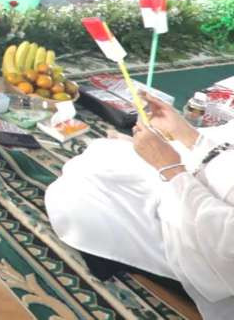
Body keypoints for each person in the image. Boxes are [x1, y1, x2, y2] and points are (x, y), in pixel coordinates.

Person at [46, 94, 234, 319]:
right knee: (102, 154)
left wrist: (171, 168)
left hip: (205, 235)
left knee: (75, 197)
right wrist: (189, 136)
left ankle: (118, 256)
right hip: (203, 182)